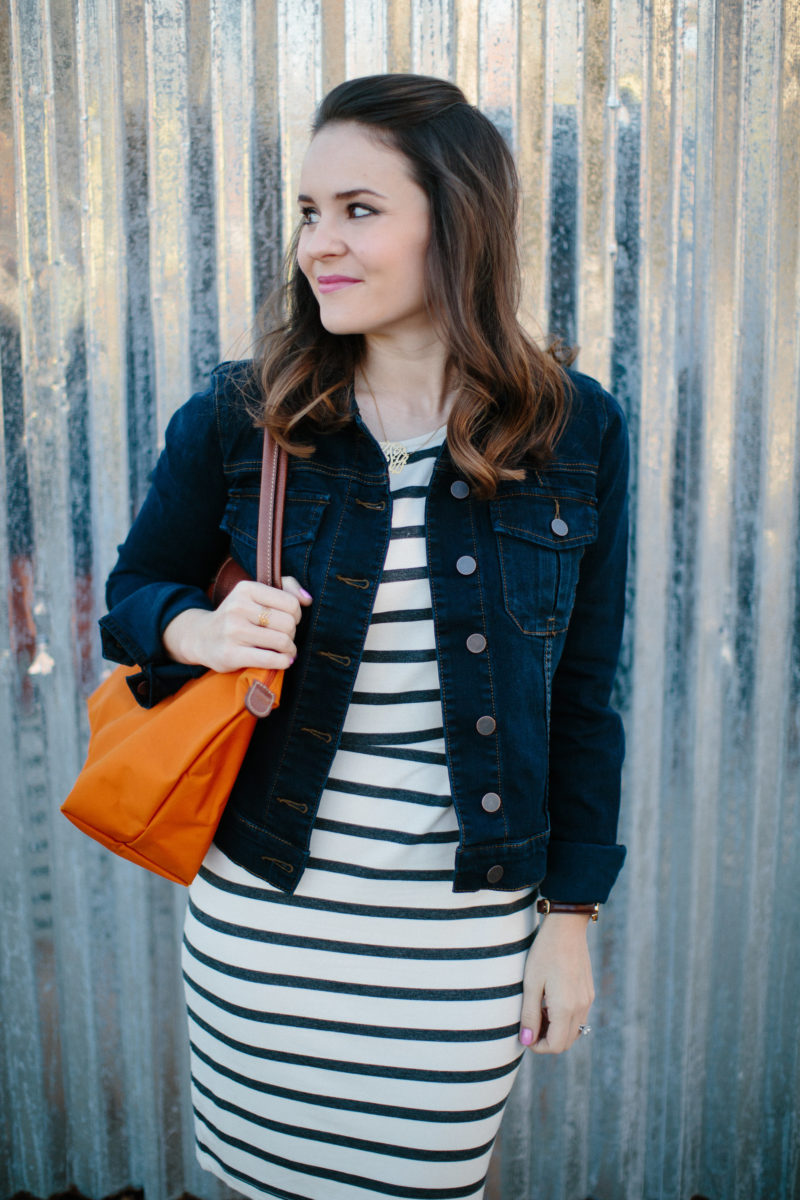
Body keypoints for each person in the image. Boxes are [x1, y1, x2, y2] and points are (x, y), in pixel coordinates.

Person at [100, 73, 628, 1200]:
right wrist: (197, 627)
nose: (318, 245)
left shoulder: (571, 427)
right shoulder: (244, 415)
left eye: (358, 210)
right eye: (306, 211)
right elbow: (130, 596)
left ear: (457, 223)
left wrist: (568, 923)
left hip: (458, 939)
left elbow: (583, 694)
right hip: (265, 920)